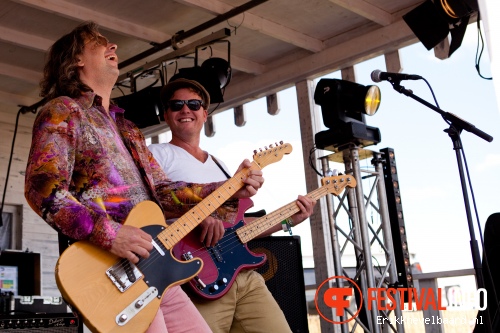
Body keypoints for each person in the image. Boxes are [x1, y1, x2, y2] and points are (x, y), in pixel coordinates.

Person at [24, 21, 264, 333]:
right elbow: (43, 189)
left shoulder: (127, 129)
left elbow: (163, 193)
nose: (114, 48)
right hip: (113, 269)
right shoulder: (64, 111)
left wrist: (230, 189)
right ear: (77, 59)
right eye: (100, 43)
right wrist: (111, 235)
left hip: (156, 266)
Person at [148, 78, 316, 333]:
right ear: (165, 115)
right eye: (176, 105)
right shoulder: (156, 154)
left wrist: (286, 220)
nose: (185, 110)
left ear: (205, 114)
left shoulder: (220, 166)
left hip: (242, 276)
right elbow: (146, 208)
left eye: (194, 104)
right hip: (195, 277)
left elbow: (236, 229)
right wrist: (196, 215)